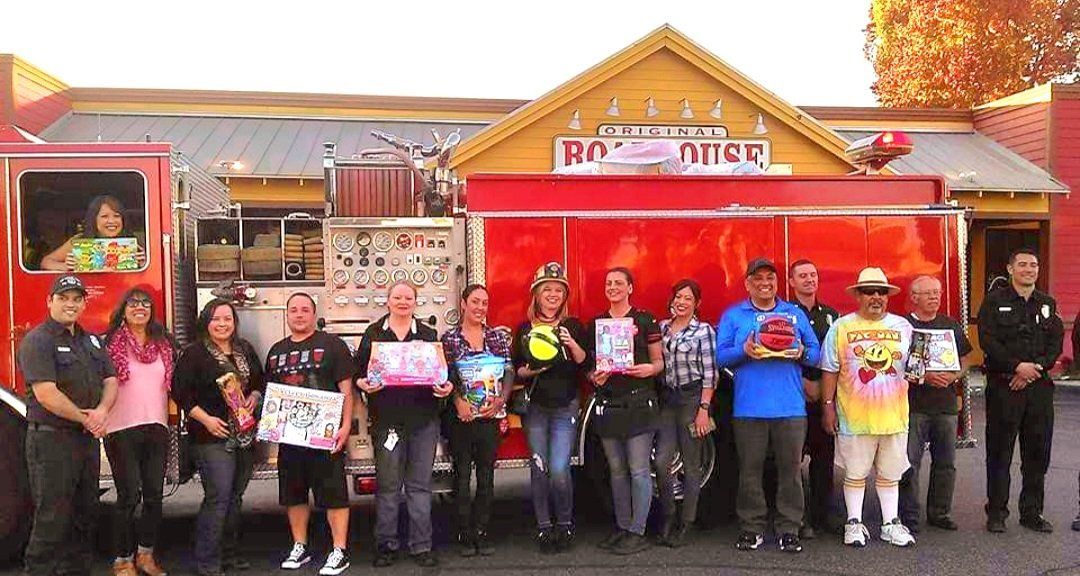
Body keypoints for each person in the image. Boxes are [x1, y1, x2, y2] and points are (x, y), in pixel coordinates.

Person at [716, 258, 820, 554]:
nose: (765, 283)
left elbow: (816, 354)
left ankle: (789, 528)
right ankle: (752, 528)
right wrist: (744, 350)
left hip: (790, 408)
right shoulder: (734, 315)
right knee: (749, 471)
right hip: (748, 408)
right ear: (747, 283)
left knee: (791, 471)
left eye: (770, 278)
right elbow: (719, 357)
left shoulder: (794, 314)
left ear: (777, 283)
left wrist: (800, 351)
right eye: (758, 278)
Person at [18, 274, 118, 576]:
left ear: (84, 303)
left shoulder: (90, 340)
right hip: (52, 442)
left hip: (84, 441)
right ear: (50, 301)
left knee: (85, 516)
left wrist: (101, 410)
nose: (70, 304)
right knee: (52, 519)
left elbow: (110, 379)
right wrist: (88, 418)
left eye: (77, 299)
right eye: (63, 298)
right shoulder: (38, 341)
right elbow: (46, 394)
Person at [354, 281, 454, 568]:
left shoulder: (428, 334)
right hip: (387, 424)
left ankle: (421, 546)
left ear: (415, 302)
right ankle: (386, 544)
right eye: (397, 297)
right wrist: (364, 384)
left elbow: (442, 375)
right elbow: (360, 373)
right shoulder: (374, 334)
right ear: (387, 301)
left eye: (408, 297)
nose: (402, 302)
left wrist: (445, 388)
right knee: (387, 486)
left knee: (419, 486)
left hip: (423, 421)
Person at [821, 267, 915, 548]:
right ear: (858, 296)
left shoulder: (904, 327)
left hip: (894, 416)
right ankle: (854, 523)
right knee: (855, 472)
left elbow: (917, 364)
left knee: (890, 474)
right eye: (869, 291)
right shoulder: (841, 327)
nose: (876, 297)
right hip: (854, 416)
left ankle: (890, 524)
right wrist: (827, 407)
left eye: (881, 292)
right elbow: (829, 369)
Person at [173, 299, 265, 576]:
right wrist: (206, 420)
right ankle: (207, 562)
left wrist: (254, 398)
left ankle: (229, 556)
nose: (223, 324)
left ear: (235, 323)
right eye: (216, 319)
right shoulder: (194, 353)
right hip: (212, 436)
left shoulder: (244, 349)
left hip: (245, 435)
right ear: (206, 322)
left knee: (235, 497)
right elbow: (180, 393)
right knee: (218, 498)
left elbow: (260, 380)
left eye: (228, 319)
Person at [978, 248, 1064, 533]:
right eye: (1023, 264)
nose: (1029, 269)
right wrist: (1016, 367)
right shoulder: (994, 302)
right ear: (1010, 268)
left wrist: (1031, 371)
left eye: (1034, 265)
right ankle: (997, 513)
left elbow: (1055, 344)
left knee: (1037, 455)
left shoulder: (1048, 304)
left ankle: (1031, 513)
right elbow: (988, 341)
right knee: (1000, 453)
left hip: (1038, 389)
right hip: (1004, 387)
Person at [269, 293, 354, 576]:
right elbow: (272, 396)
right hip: (290, 439)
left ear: (314, 314)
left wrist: (345, 426)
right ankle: (300, 546)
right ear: (287, 315)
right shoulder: (276, 351)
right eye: (294, 310)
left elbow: (346, 390)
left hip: (325, 436)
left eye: (305, 310)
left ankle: (339, 550)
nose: (299, 314)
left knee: (334, 495)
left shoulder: (333, 345)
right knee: (294, 495)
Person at [512, 262, 588, 553]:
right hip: (536, 410)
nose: (553, 295)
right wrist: (532, 372)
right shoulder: (525, 329)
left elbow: (583, 362)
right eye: (547, 290)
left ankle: (565, 524)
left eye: (558, 290)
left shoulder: (573, 326)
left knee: (559, 469)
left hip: (565, 407)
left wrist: (570, 343)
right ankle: (544, 528)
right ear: (537, 295)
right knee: (539, 468)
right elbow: (517, 369)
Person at [588, 267, 664, 556]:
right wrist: (596, 377)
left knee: (639, 470)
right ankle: (622, 527)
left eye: (619, 283)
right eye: (608, 283)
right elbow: (593, 369)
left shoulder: (645, 320)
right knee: (617, 472)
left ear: (630, 288)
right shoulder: (597, 323)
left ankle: (638, 531)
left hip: (638, 402)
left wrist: (649, 369)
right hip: (609, 404)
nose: (613, 287)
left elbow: (659, 363)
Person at [103, 288, 175, 576]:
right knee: (129, 496)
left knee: (155, 496)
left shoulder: (164, 343)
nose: (140, 308)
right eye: (133, 303)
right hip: (120, 428)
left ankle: (146, 555)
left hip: (156, 426)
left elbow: (173, 382)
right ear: (123, 309)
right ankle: (122, 559)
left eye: (145, 304)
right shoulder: (110, 343)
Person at [897, 276, 974, 533]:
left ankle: (940, 512)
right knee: (910, 462)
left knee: (945, 463)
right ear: (914, 296)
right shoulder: (904, 327)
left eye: (937, 292)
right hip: (913, 405)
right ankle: (909, 515)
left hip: (946, 405)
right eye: (928, 293)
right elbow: (896, 365)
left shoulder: (950, 326)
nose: (934, 297)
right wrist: (924, 376)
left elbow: (966, 359)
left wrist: (954, 376)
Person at [442, 285, 514, 557]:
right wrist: (458, 402)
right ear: (463, 304)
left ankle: (481, 532)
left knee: (486, 476)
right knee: (461, 476)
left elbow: (508, 371)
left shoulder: (497, 336)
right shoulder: (448, 338)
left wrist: (501, 400)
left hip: (489, 418)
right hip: (460, 418)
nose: (480, 307)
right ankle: (463, 532)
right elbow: (444, 375)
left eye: (484, 303)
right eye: (475, 301)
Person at [656, 279, 718, 548]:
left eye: (688, 299)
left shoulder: (703, 331)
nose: (681, 302)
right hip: (669, 399)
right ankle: (668, 515)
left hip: (693, 400)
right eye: (678, 297)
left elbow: (710, 374)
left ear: (697, 304)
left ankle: (686, 522)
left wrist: (704, 410)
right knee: (661, 462)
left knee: (692, 465)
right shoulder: (662, 328)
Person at [788, 259, 840, 538]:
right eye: (803, 276)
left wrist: (823, 388)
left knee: (824, 458)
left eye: (813, 275)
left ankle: (824, 516)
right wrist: (803, 382)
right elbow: (778, 353)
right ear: (792, 282)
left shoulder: (832, 316)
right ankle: (798, 518)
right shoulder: (783, 314)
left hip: (824, 396)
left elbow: (838, 354)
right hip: (794, 395)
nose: (809, 280)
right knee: (792, 462)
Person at [40, 194, 145, 272]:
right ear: (94, 219)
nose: (112, 221)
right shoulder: (79, 241)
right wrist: (66, 266)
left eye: (117, 216)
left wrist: (144, 264)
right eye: (105, 216)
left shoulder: (135, 242)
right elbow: (46, 262)